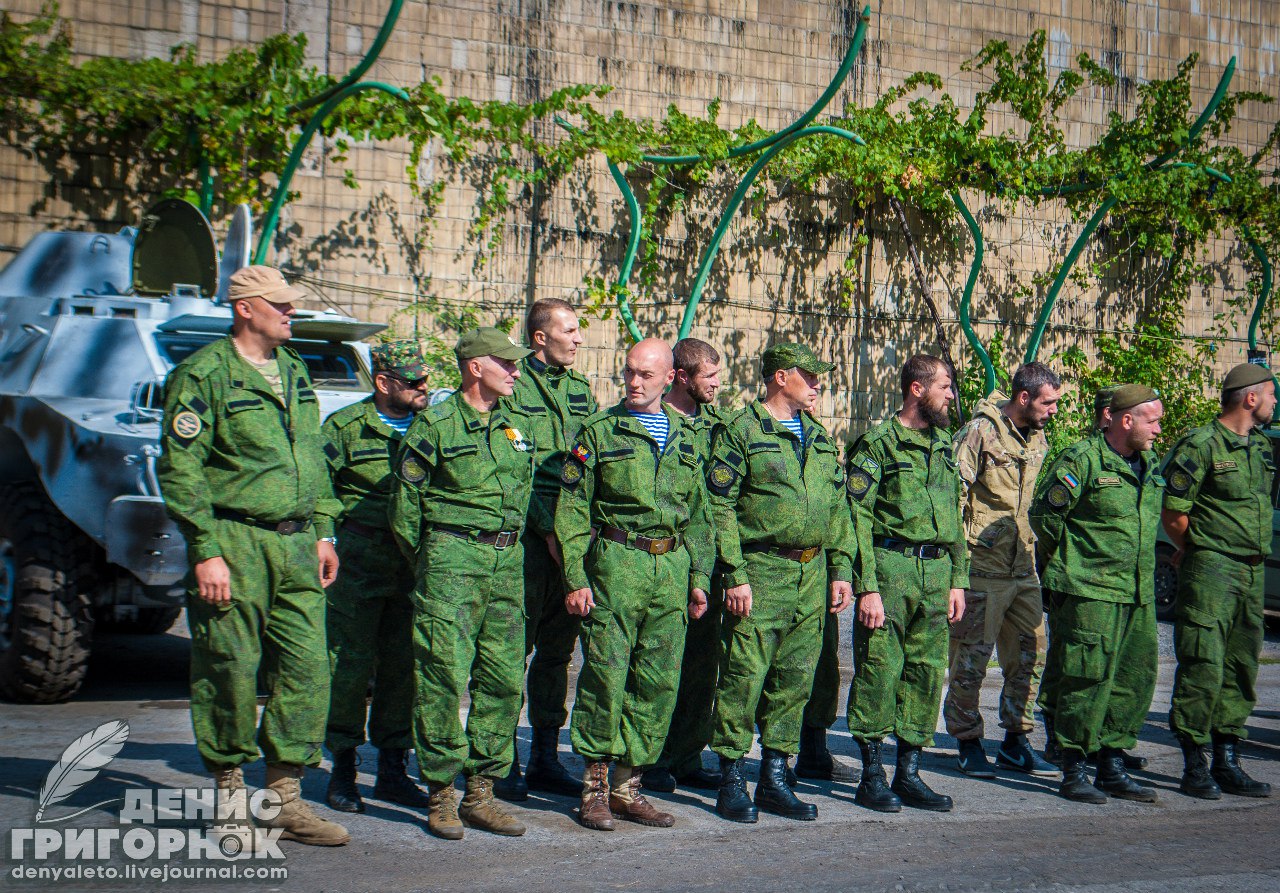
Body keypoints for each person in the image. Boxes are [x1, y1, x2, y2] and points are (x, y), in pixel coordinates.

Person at [158, 264, 349, 847]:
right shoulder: (204, 376)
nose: (291, 314)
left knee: (309, 668)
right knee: (230, 668)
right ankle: (232, 796)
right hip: (234, 541)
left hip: (296, 544)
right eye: (281, 305)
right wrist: (204, 549)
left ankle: (284, 799)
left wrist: (322, 530)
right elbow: (180, 468)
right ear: (246, 308)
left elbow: (311, 457)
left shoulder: (293, 371)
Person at [555, 338, 715, 831]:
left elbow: (700, 516)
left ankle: (629, 786)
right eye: (628, 372)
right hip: (617, 564)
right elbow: (572, 510)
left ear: (669, 379)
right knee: (606, 675)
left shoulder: (688, 438)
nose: (633, 381)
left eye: (645, 374)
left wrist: (699, 578)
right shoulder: (599, 433)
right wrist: (575, 577)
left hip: (669, 569)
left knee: (658, 680)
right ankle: (595, 789)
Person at [388, 328, 536, 840]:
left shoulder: (517, 426)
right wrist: (435, 560)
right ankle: (440, 794)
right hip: (452, 558)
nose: (516, 371)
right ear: (476, 367)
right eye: (507, 364)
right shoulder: (436, 425)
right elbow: (406, 510)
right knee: (443, 676)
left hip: (507, 561)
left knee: (501, 679)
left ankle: (481, 793)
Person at [705, 343, 855, 823]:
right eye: (809, 377)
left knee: (795, 678)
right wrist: (734, 573)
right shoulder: (742, 431)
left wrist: (840, 569)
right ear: (780, 377)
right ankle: (731, 776)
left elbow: (837, 507)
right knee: (743, 676)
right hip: (761, 570)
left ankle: (774, 775)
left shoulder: (818, 436)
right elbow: (720, 507)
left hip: (811, 573)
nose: (817, 386)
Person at [844, 354, 967, 813]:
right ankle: (872, 775)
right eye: (946, 387)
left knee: (926, 671)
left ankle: (909, 773)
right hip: (891, 569)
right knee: (879, 668)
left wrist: (958, 578)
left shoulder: (943, 444)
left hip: (936, 573)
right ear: (917, 389)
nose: (951, 395)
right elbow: (856, 517)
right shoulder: (877, 444)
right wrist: (867, 586)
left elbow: (955, 515)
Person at [1030, 384, 1164, 804]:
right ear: (1127, 420)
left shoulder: (1149, 463)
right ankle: (1073, 768)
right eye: (1153, 420)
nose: (1160, 429)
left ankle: (1112, 763)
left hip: (1137, 594)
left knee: (1132, 678)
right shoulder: (1084, 460)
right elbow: (1044, 518)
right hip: (1090, 592)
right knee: (1083, 678)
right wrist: (1073, 565)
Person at [322, 341, 433, 814]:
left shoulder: (434, 427)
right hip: (359, 562)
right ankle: (343, 770)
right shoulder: (345, 427)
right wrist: (324, 539)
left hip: (412, 564)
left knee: (402, 668)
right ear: (384, 383)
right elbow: (318, 486)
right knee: (348, 666)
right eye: (414, 382)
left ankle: (392, 769)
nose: (424, 388)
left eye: (426, 379)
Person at [497, 299, 597, 802]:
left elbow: (590, 466)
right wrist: (550, 531)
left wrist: (577, 534)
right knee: (513, 652)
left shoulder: (581, 391)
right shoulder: (513, 388)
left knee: (558, 654)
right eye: (570, 330)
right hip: (528, 546)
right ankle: (503, 761)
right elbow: (519, 471)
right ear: (541, 337)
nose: (579, 339)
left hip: (572, 545)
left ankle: (544, 756)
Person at [1162, 363, 1276, 799]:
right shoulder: (1202, 444)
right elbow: (1174, 512)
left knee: (1242, 663)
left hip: (1252, 568)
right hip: (1212, 567)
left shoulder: (1261, 447)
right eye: (1271, 394)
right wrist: (1198, 548)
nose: (1273, 403)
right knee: (1203, 661)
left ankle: (1228, 759)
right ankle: (1195, 762)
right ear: (1250, 398)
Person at [944, 362, 1061, 779]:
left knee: (1030, 655)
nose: (1052, 410)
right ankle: (967, 741)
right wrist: (956, 571)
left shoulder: (1037, 434)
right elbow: (952, 496)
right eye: (1047, 402)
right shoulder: (980, 431)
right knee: (972, 660)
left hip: (1023, 566)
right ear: (1024, 398)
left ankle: (1015, 741)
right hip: (984, 566)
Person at [642, 337, 727, 794]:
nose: (718, 384)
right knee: (661, 663)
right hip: (669, 558)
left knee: (701, 664)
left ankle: (688, 754)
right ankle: (651, 756)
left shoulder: (718, 425)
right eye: (709, 377)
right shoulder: (656, 423)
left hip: (709, 561)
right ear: (681, 377)